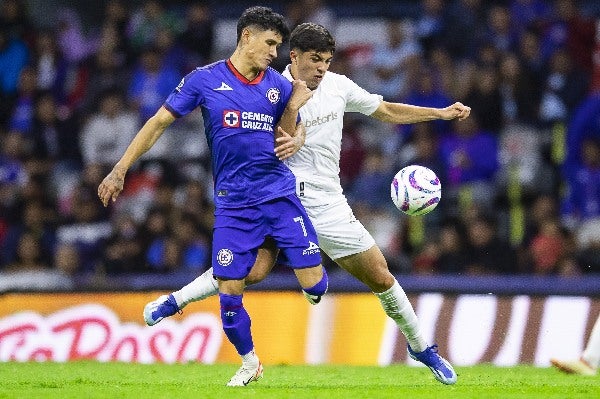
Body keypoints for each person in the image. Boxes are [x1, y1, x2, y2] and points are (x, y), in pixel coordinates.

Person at [143, 22, 470, 385]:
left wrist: (439, 113)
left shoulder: (339, 87)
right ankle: (175, 302)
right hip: (277, 198)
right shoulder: (270, 87)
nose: (322, 68)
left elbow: (385, 110)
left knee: (381, 276)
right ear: (294, 56)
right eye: (315, 59)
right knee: (246, 272)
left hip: (329, 204)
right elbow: (255, 141)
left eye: (327, 61)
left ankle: (421, 347)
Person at [97, 7, 328, 387]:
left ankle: (177, 300)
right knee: (232, 289)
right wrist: (121, 168)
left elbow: (292, 135)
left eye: (278, 46)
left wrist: (295, 121)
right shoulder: (203, 81)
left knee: (315, 288)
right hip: (234, 203)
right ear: (246, 37)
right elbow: (157, 123)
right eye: (270, 44)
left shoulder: (279, 86)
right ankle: (249, 362)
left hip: (277, 196)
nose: (275, 53)